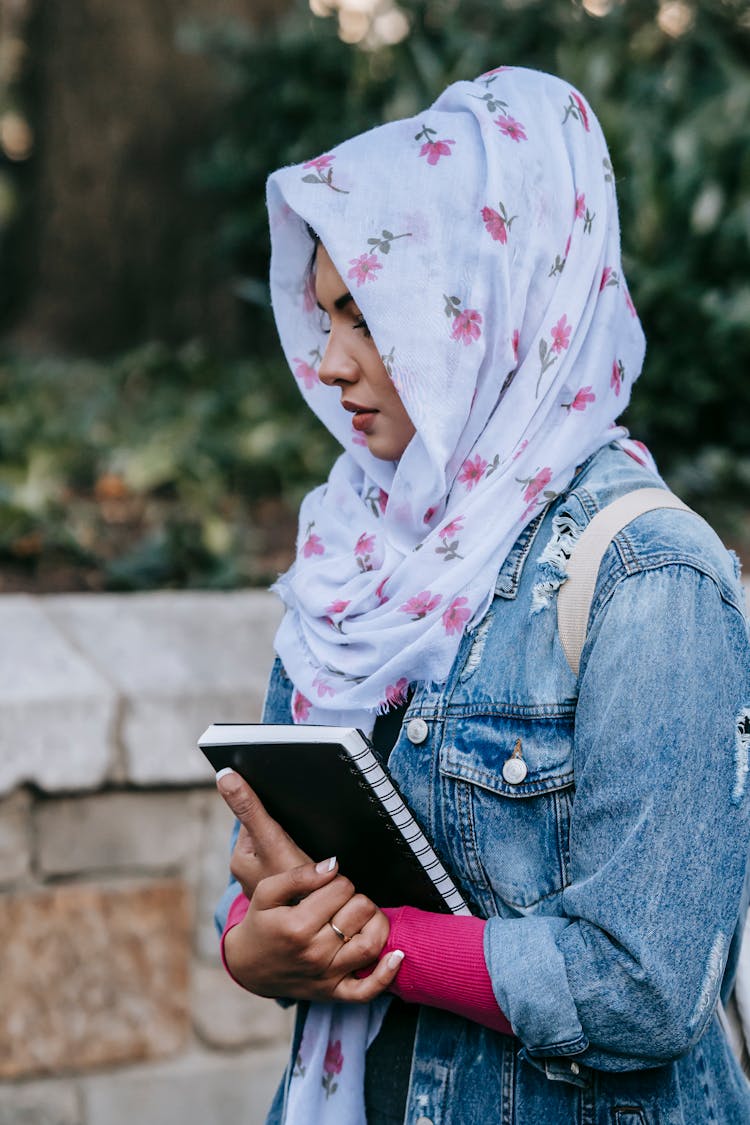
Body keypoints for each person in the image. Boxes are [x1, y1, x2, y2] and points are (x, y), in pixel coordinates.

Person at [213, 66, 750, 1124]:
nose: (328, 364)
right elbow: (263, 882)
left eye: (367, 315)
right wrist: (255, 942)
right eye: (324, 317)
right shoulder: (348, 554)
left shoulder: (650, 576)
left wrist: (376, 941)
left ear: (493, 300)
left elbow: (647, 984)